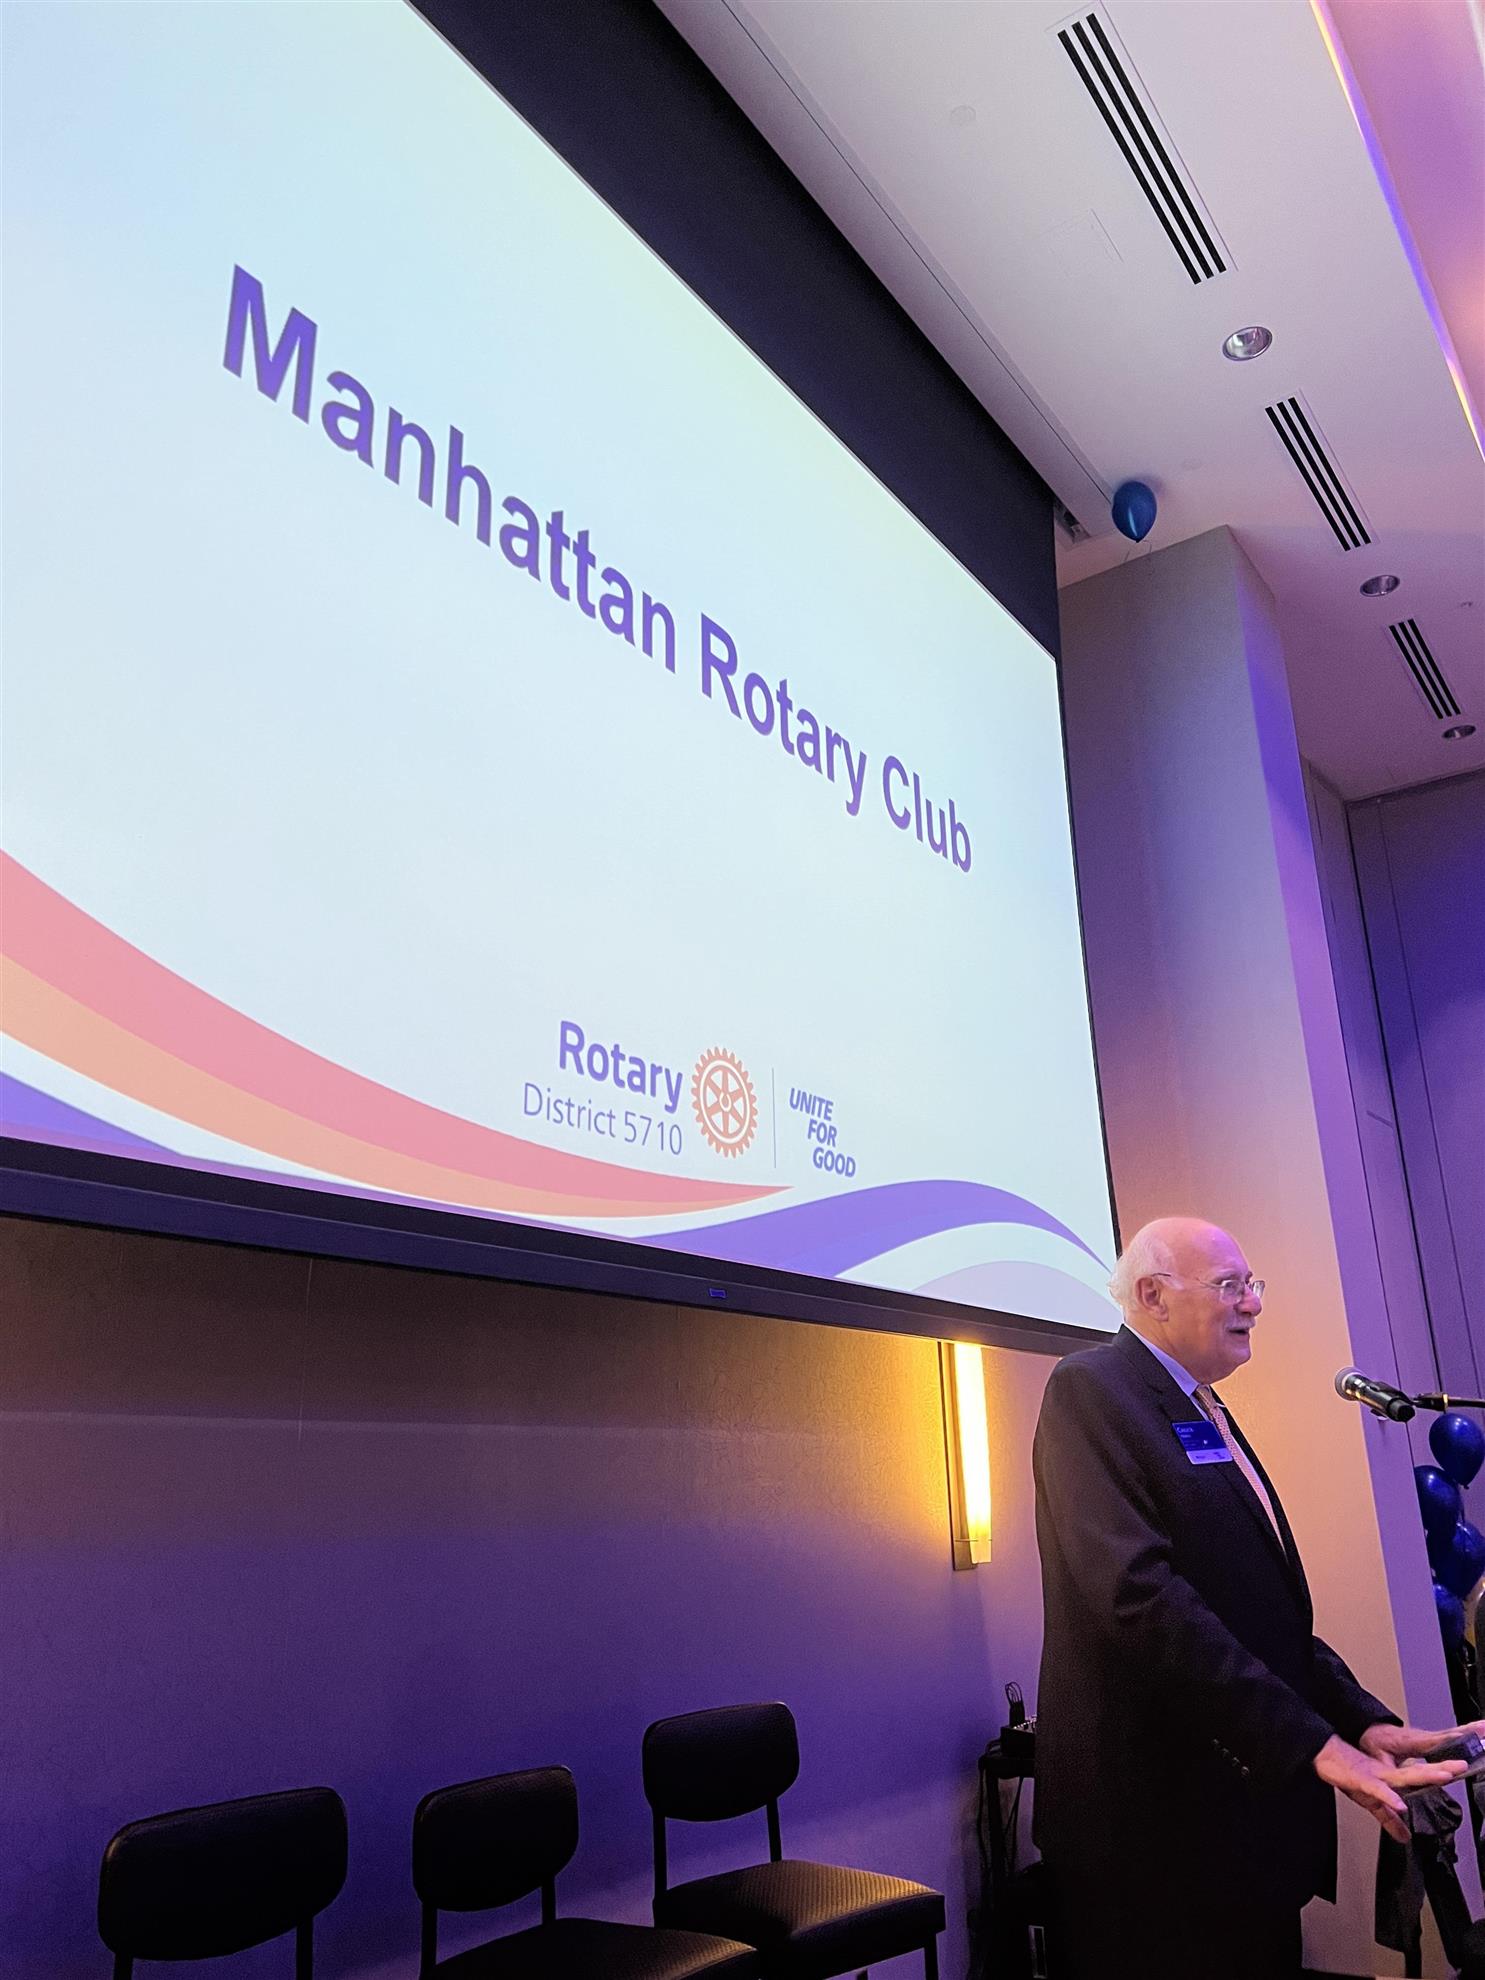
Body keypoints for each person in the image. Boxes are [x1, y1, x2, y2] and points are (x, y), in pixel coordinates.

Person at [1032, 1216, 1473, 1979]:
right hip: (1153, 1838)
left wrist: (1358, 1721)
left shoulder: (1201, 1406)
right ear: (1152, 1296)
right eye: (1229, 1285)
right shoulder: (1091, 1390)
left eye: (1251, 1284)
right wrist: (1311, 1743)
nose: (1252, 1303)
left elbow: (1259, 1613)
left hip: (1239, 1829)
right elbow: (1139, 1599)